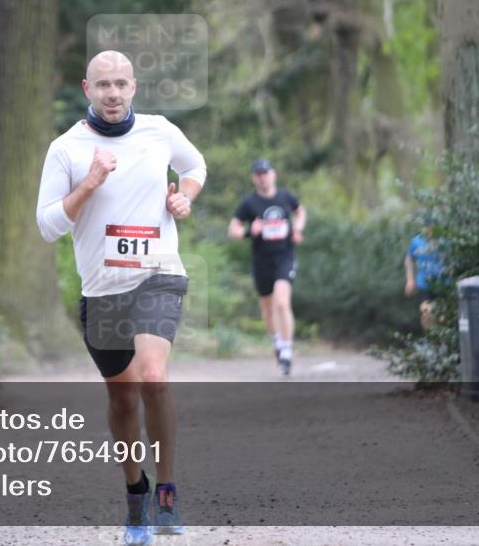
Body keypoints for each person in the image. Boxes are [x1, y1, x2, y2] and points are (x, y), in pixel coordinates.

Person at [36, 50, 206, 545]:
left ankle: (167, 493)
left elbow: (195, 165)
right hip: (102, 289)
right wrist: (89, 183)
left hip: (158, 275)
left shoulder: (159, 130)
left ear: (134, 87)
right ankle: (136, 493)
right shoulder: (66, 149)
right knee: (123, 396)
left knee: (153, 377)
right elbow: (47, 225)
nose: (113, 93)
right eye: (103, 85)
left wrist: (185, 196)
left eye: (121, 84)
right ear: (87, 89)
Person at [228, 159, 306, 375]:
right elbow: (232, 229)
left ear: (274, 174)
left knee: (282, 302)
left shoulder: (285, 197)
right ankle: (277, 342)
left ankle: (287, 352)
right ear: (254, 178)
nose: (263, 177)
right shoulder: (249, 203)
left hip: (285, 256)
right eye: (258, 174)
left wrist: (297, 229)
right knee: (268, 308)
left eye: (266, 172)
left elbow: (301, 212)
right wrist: (248, 232)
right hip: (262, 260)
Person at [404, 222, 445, 330]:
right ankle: (431, 340)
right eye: (427, 227)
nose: (429, 230)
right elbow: (409, 260)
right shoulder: (416, 241)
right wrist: (410, 280)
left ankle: (442, 342)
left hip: (444, 285)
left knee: (442, 318)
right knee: (427, 313)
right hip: (425, 285)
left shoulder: (445, 240)